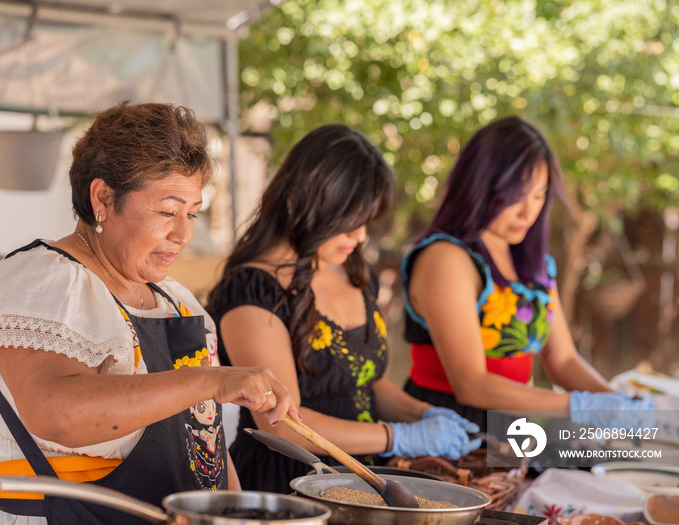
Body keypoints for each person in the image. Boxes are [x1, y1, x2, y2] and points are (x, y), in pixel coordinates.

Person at [0, 101, 299, 525]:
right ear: (103, 198)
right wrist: (209, 380)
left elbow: (206, 442)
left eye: (192, 214)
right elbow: (54, 411)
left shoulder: (178, 301)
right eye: (167, 212)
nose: (183, 234)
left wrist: (234, 511)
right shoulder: (43, 280)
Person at [206, 124, 481, 494]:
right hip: (290, 487)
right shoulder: (253, 290)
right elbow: (283, 424)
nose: (361, 236)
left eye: (366, 221)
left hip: (362, 485)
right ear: (297, 201)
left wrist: (423, 415)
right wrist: (397, 436)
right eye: (349, 222)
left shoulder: (351, 269)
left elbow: (366, 383)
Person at [401, 115, 655, 432]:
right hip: (449, 430)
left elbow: (563, 360)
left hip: (513, 427)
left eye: (539, 196)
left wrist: (617, 403)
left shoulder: (534, 263)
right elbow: (471, 385)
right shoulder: (446, 258)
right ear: (478, 187)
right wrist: (578, 406)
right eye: (515, 197)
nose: (528, 212)